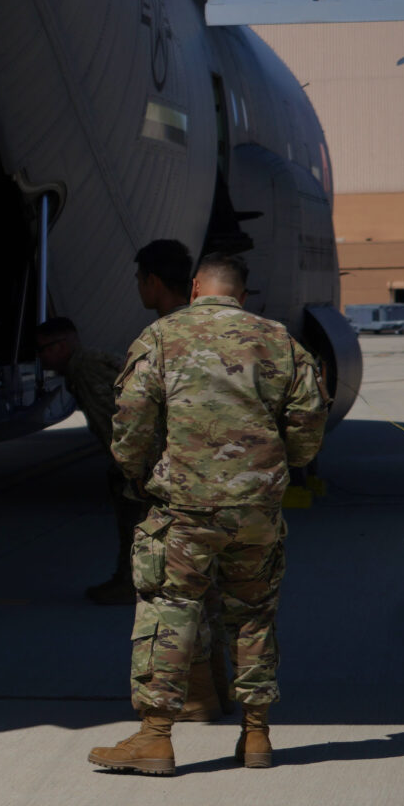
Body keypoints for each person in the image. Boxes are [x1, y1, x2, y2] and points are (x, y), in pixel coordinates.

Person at [89, 252, 327, 776]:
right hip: (257, 509)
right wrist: (272, 470)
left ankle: (155, 739)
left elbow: (130, 420)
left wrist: (136, 471)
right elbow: (308, 427)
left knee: (170, 609)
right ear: (242, 295)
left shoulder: (160, 337)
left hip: (185, 509)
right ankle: (257, 734)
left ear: (196, 288)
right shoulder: (280, 340)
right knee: (253, 614)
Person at [34, 316, 147, 606]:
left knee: (134, 518)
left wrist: (126, 464)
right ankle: (128, 579)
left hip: (142, 452)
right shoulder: (87, 362)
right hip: (147, 448)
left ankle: (132, 583)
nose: (41, 358)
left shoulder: (84, 369)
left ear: (61, 345)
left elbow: (112, 417)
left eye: (43, 349)